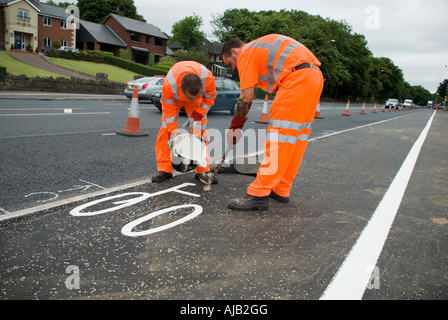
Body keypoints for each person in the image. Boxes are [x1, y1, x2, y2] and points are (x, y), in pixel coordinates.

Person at [222, 34, 324, 210]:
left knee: (279, 138)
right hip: (313, 77)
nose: (233, 68)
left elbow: (246, 96)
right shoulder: (259, 48)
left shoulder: (245, 53)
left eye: (230, 63)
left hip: (295, 79)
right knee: (295, 140)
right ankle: (281, 189)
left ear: (234, 52)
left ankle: (258, 194)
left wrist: (235, 127)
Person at [152, 61, 217, 184]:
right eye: (190, 98)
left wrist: (197, 115)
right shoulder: (169, 86)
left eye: (195, 96)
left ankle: (202, 170)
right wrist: (173, 136)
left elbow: (209, 100)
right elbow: (169, 114)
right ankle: (164, 169)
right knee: (166, 129)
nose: (191, 100)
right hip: (174, 100)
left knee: (200, 132)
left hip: (198, 102)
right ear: (181, 88)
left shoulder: (208, 79)